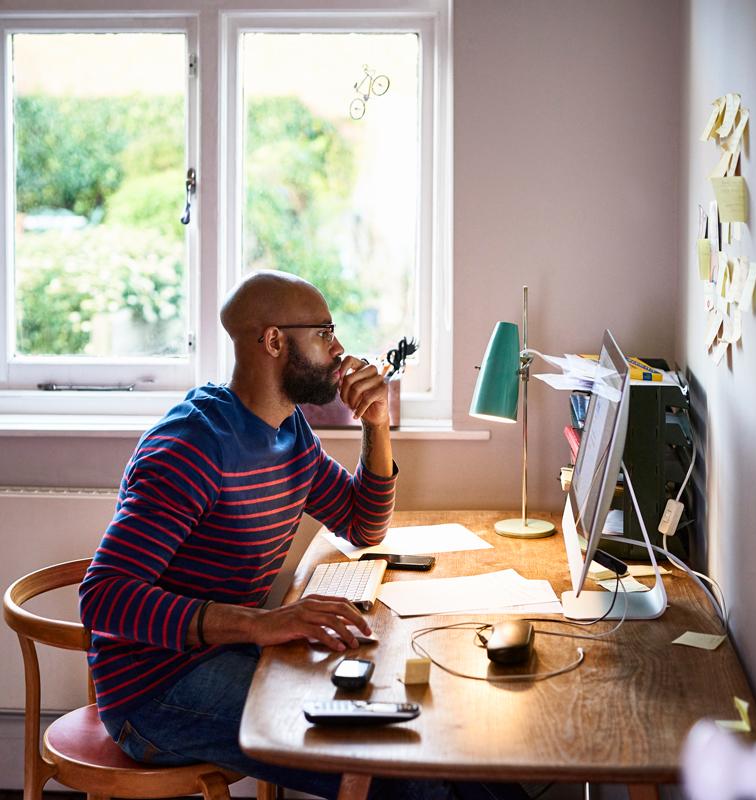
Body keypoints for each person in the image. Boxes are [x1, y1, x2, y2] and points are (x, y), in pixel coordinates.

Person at [79, 270, 528, 800]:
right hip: (156, 691)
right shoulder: (192, 447)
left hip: (232, 654)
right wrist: (264, 623)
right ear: (273, 341)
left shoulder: (289, 433)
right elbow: (103, 598)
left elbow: (363, 525)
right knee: (406, 770)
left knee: (447, 739)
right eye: (324, 333)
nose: (340, 350)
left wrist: (377, 423)